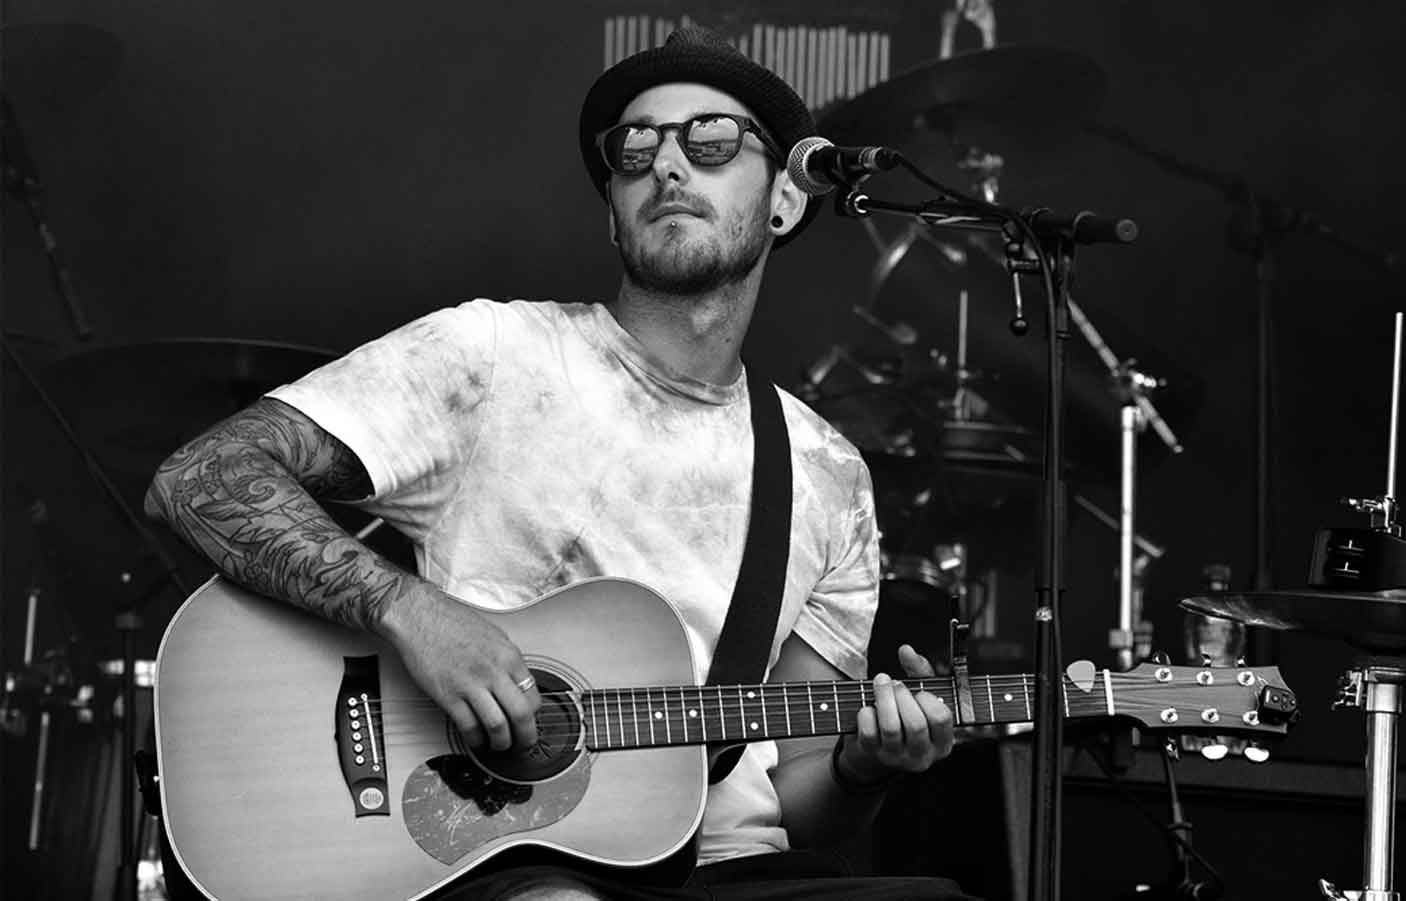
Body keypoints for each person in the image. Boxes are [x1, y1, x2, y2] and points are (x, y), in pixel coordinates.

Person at [143, 24, 974, 901]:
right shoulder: (495, 356)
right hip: (498, 853)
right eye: (635, 149)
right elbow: (200, 478)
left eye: (713, 141)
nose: (667, 165)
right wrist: (411, 611)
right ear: (612, 212)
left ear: (786, 201)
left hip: (728, 873)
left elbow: (803, 801)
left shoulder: (828, 474)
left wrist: (869, 765)